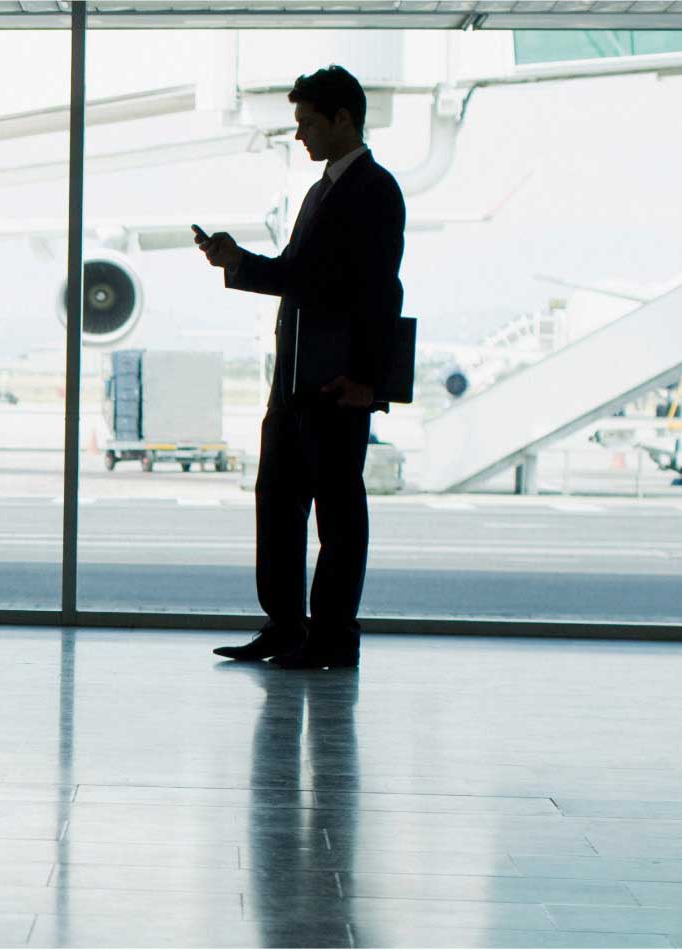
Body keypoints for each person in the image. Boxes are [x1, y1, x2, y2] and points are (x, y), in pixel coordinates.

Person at [196, 65, 404, 670]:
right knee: (280, 502)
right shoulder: (323, 190)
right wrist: (235, 263)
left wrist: (369, 379)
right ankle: (287, 626)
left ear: (344, 119)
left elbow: (381, 291)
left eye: (308, 122)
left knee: (337, 515)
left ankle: (331, 635)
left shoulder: (375, 189)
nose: (300, 135)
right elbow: (298, 274)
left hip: (337, 383)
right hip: (295, 381)